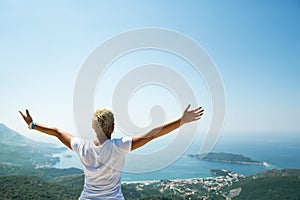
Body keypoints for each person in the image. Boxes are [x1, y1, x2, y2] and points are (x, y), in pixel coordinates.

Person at [19, 104, 204, 199]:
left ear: (93, 127)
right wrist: (181, 120)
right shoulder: (119, 146)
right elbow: (153, 134)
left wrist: (32, 125)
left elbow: (57, 132)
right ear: (113, 126)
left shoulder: (82, 147)